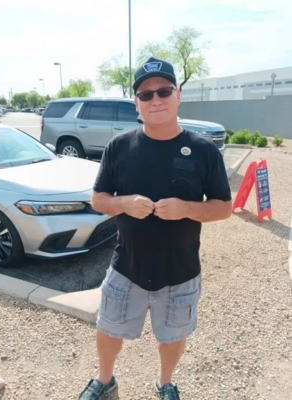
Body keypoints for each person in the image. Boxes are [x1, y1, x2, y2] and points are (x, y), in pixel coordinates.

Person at [78, 57, 232, 400]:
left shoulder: (204, 151)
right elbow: (98, 199)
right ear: (137, 103)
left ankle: (165, 383)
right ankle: (104, 381)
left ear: (177, 95)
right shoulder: (119, 147)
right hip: (126, 267)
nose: (155, 99)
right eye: (145, 95)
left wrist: (187, 209)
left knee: (173, 335)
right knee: (108, 329)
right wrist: (124, 202)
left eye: (163, 91)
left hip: (180, 270)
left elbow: (224, 208)